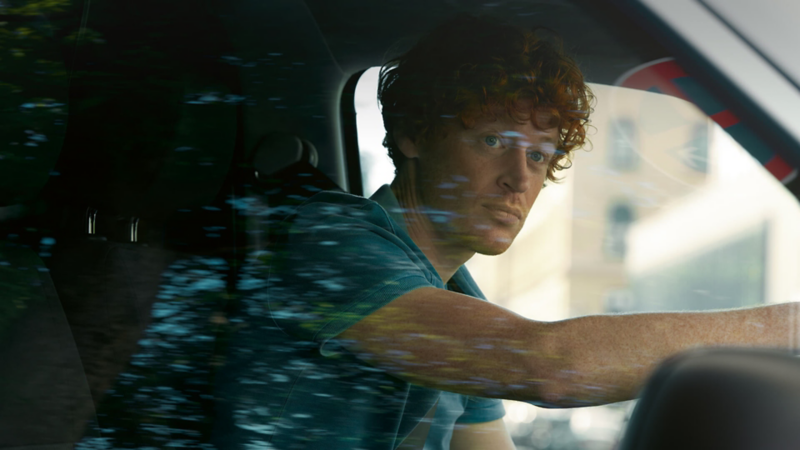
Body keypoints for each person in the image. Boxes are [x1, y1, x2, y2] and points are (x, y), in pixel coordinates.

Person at [215, 14, 800, 450]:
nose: (519, 179)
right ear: (415, 134)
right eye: (493, 141)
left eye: (542, 157)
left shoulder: (456, 300)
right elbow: (544, 362)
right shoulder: (329, 242)